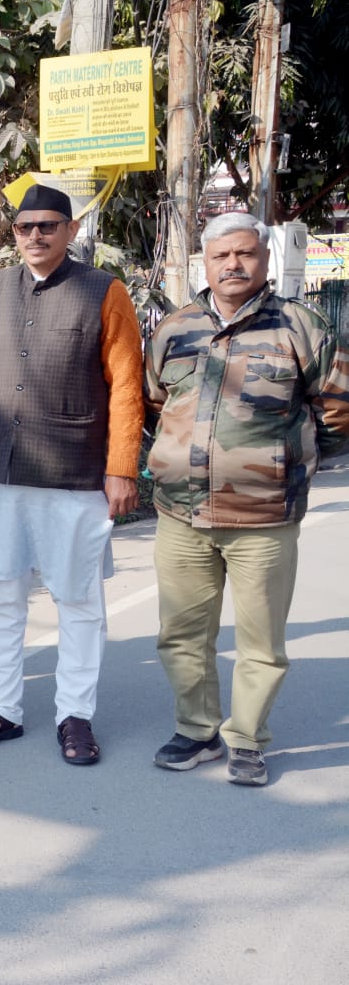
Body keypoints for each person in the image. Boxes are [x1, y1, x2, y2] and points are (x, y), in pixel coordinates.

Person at [146, 211, 349, 786]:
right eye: (221, 255)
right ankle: (197, 730)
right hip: (180, 514)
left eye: (245, 253)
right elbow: (155, 403)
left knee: (261, 640)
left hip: (265, 517)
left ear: (264, 259)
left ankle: (247, 740)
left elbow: (337, 410)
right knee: (181, 635)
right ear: (205, 263)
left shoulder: (300, 327)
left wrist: (288, 464)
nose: (233, 264)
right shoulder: (175, 328)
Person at [0, 185, 144, 766]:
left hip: (75, 476)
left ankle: (74, 715)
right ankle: (0, 708)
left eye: (48, 225)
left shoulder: (104, 291)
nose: (35, 235)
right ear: (15, 232)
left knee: (78, 599)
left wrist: (122, 467)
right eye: (24, 226)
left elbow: (127, 385)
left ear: (71, 230)